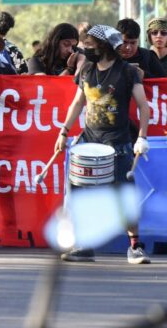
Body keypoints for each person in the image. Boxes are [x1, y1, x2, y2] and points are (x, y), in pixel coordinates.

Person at [54, 25, 151, 264]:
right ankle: (85, 244)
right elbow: (78, 103)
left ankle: (135, 246)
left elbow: (143, 106)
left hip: (117, 143)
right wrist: (63, 132)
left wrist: (142, 137)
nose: (85, 48)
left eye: (90, 44)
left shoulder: (128, 72)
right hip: (88, 141)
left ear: (104, 46)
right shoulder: (86, 69)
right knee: (80, 193)